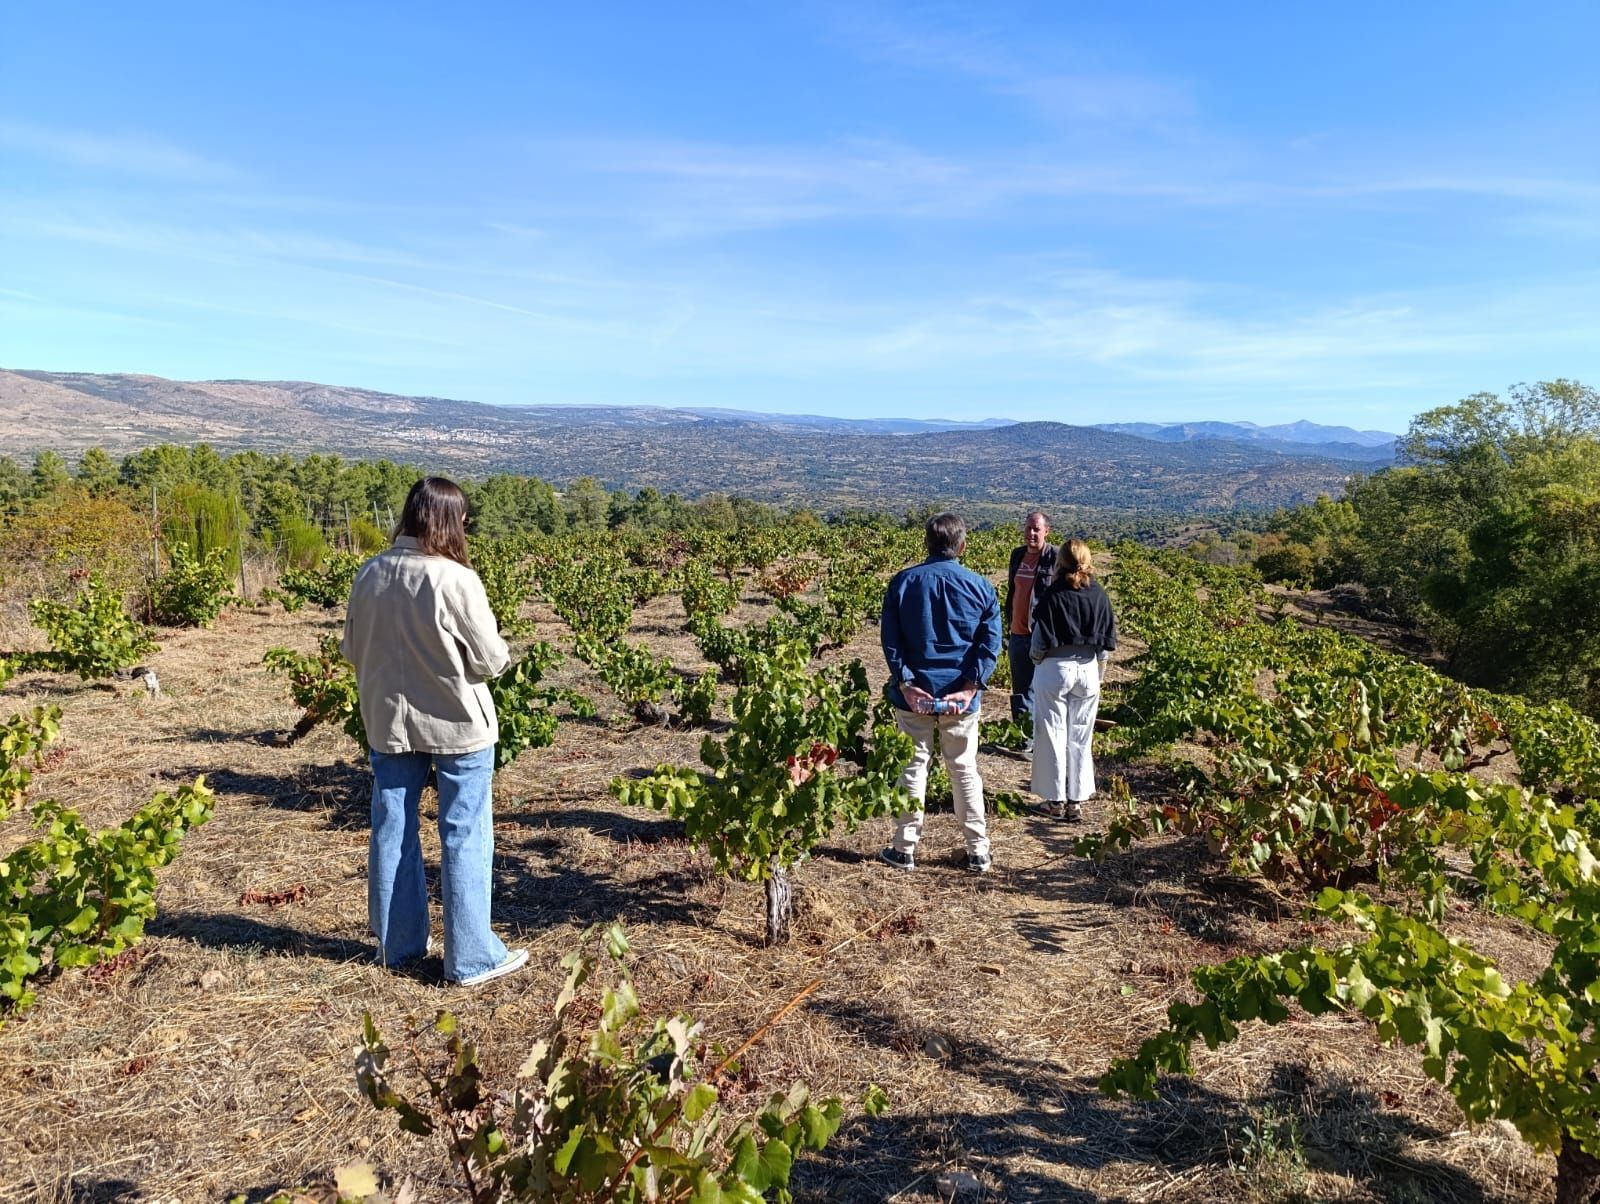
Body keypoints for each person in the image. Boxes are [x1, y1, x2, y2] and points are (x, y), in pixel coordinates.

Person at [342, 477, 526, 986]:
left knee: (391, 827)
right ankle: (470, 958)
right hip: (458, 722)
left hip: (388, 723)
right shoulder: (455, 579)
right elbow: (491, 661)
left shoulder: (370, 573)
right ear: (450, 521)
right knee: (464, 832)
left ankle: (397, 948)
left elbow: (351, 650)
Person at [878, 512, 1003, 873]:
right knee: (964, 769)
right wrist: (970, 687)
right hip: (961, 700)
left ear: (926, 544)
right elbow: (990, 644)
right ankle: (978, 850)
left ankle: (904, 849)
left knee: (913, 767)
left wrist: (906, 683)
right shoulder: (981, 587)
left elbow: (891, 640)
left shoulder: (903, 582)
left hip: (913, 696)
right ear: (962, 546)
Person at [1029, 539, 1117, 822]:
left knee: (1052, 733)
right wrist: (1097, 673)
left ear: (1060, 561)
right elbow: (1105, 646)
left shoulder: (1053, 594)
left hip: (1055, 666)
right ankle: (1076, 801)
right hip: (1088, 668)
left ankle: (1055, 801)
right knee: (1081, 734)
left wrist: (1037, 660)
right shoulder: (1099, 595)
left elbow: (1039, 640)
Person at [1003, 511, 1057, 748]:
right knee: (1020, 691)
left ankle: (1042, 741)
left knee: (1042, 690)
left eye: (1036, 529)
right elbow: (1012, 592)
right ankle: (1024, 741)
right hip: (1017, 634)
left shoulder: (1054, 558)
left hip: (1041, 636)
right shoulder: (1017, 556)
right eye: (1028, 528)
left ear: (1047, 531)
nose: (1031, 534)